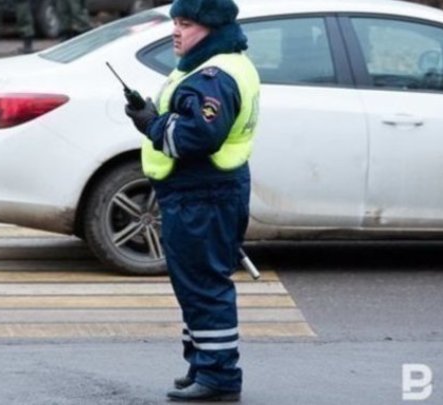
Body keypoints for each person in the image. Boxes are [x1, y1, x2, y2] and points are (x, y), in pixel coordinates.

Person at [123, 0, 260, 402]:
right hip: (206, 192)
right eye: (175, 22)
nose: (176, 31)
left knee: (203, 286)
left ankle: (218, 376)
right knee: (195, 284)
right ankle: (202, 364)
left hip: (203, 194)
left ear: (211, 27)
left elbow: (195, 137)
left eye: (186, 23)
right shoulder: (216, 66)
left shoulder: (213, 76)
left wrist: (151, 122)